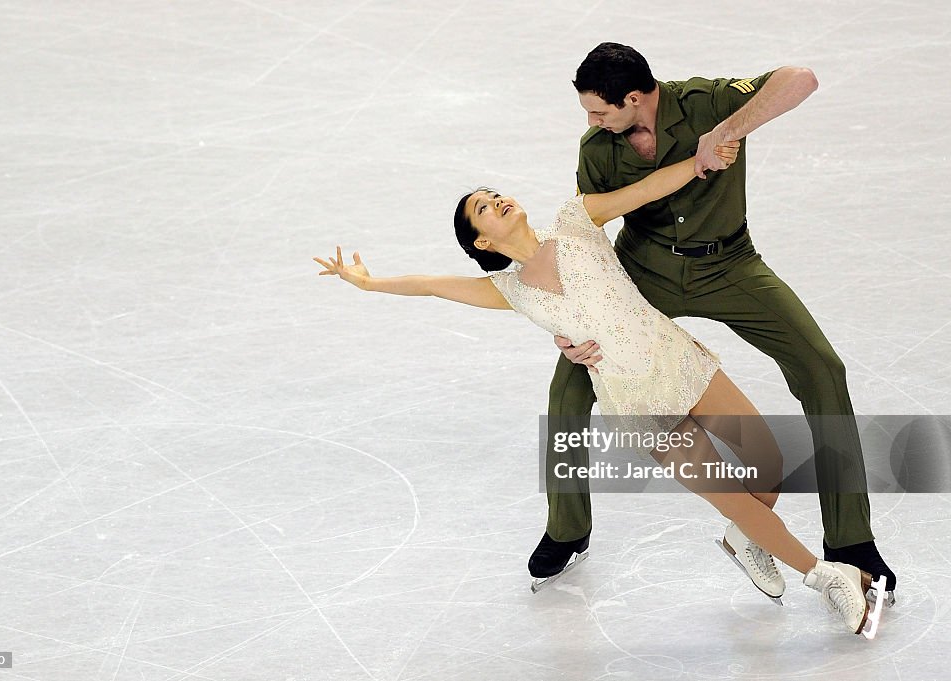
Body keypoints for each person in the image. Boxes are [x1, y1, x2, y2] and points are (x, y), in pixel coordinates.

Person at [313, 147, 884, 636]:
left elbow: (646, 188)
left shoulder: (575, 220)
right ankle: (823, 577)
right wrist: (368, 282)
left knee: (768, 462)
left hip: (679, 361)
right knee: (728, 493)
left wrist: (702, 157)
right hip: (637, 401)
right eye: (484, 208)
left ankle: (749, 537)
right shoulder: (509, 290)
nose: (498, 201)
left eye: (495, 193)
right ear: (483, 238)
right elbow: (433, 287)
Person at [535, 42, 896, 604]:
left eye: (600, 111)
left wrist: (729, 127)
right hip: (642, 273)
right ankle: (567, 528)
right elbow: (586, 241)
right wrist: (576, 320)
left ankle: (850, 543)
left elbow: (799, 78)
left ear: (634, 97)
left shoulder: (704, 101)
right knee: (568, 388)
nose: (592, 122)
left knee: (823, 368)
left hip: (730, 264)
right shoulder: (597, 149)